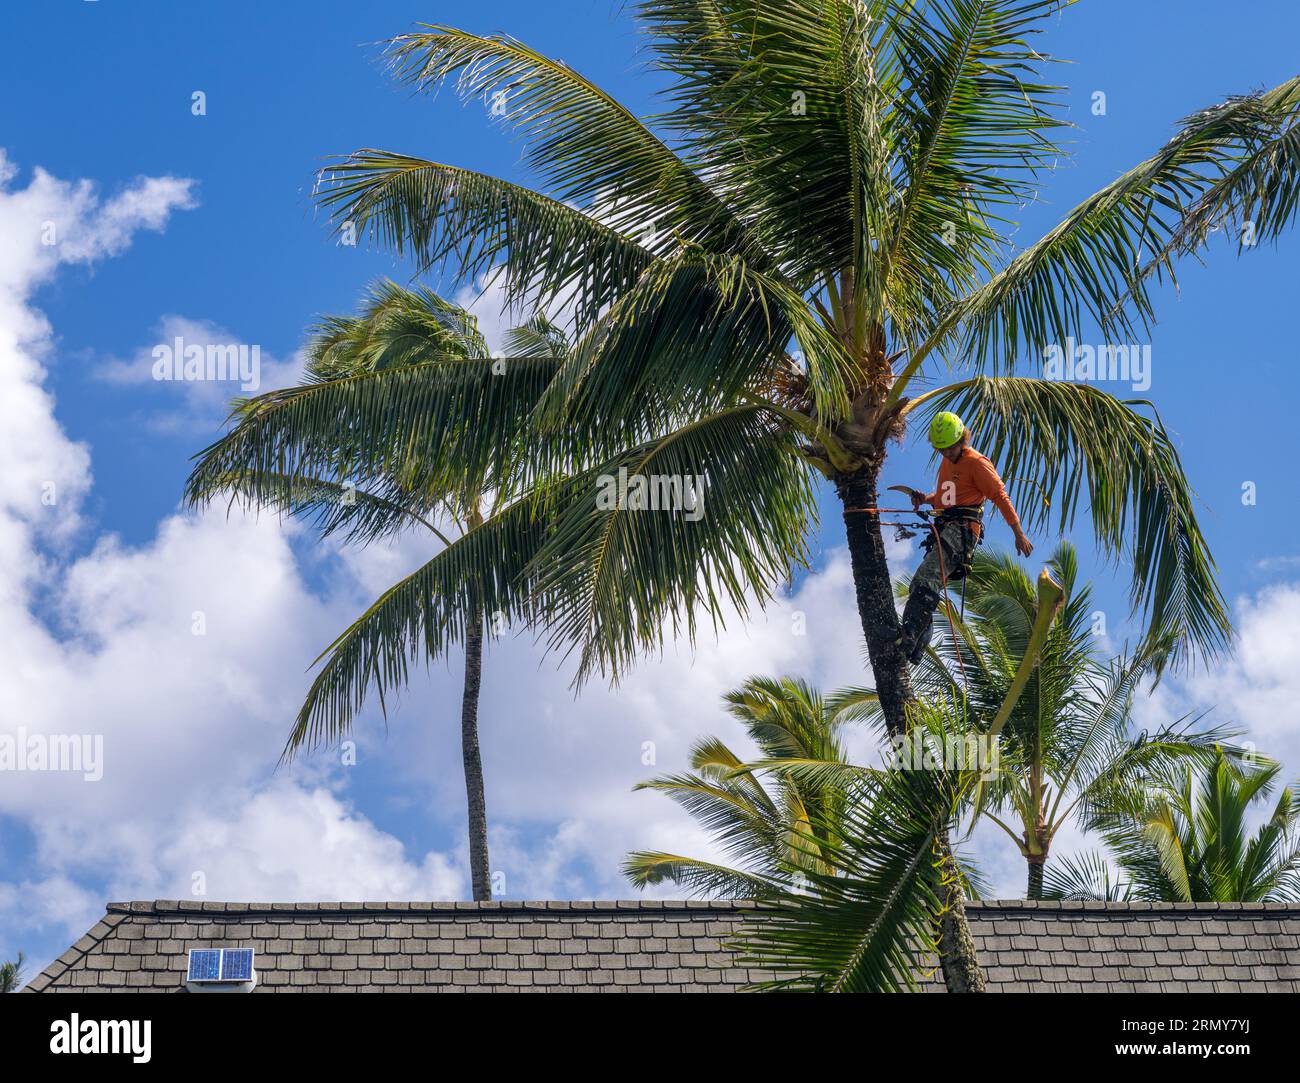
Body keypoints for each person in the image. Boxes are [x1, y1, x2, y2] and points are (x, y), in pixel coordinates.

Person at [897, 411, 1033, 663]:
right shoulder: (947, 463)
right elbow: (946, 499)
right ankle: (914, 648)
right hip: (945, 527)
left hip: (962, 532)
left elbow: (1000, 496)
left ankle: (909, 635)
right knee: (921, 584)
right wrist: (924, 499)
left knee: (927, 579)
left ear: (962, 438)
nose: (946, 453)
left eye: (950, 448)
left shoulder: (977, 463)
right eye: (941, 449)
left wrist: (1018, 533)